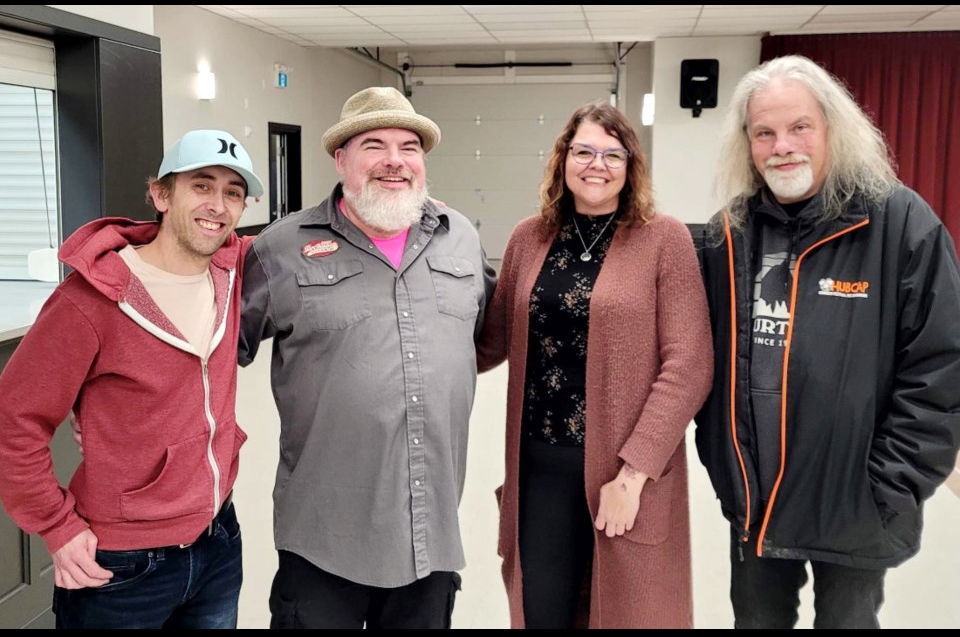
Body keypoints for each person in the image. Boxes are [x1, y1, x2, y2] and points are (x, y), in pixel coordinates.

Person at [695, 54, 960, 629]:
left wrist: (890, 486)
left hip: (856, 503)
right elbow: (697, 356)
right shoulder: (729, 234)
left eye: (799, 127)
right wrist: (725, 466)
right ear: (748, 143)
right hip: (756, 502)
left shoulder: (900, 224)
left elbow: (940, 368)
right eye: (764, 132)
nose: (782, 145)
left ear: (832, 130)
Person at [239, 86, 496, 629]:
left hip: (428, 534)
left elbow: (485, 335)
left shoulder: (461, 239)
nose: (394, 161)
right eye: (374, 145)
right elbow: (213, 353)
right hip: (323, 539)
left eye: (409, 146)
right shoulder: (280, 249)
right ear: (342, 159)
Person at [0, 129, 264, 628]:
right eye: (202, 185)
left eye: (233, 192)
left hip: (218, 540)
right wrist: (56, 526)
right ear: (161, 195)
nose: (218, 205)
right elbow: (15, 419)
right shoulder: (90, 301)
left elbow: (307, 239)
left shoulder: (231, 273)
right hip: (122, 564)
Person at [476, 102, 713, 628]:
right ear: (563, 159)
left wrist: (632, 475)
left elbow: (689, 363)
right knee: (542, 611)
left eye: (612, 154)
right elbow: (490, 340)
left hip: (624, 472)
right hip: (539, 466)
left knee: (629, 613)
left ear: (631, 167)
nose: (596, 165)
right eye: (583, 151)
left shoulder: (663, 239)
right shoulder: (528, 238)